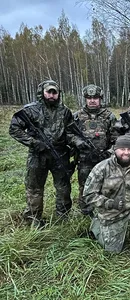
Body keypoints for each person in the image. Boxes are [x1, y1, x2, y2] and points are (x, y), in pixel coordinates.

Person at [9, 80, 75, 226]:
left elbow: (71, 132)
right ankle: (33, 219)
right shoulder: (30, 110)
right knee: (34, 188)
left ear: (58, 94)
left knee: (63, 187)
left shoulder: (65, 111)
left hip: (60, 154)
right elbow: (14, 129)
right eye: (48, 92)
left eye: (54, 92)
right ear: (42, 92)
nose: (51, 95)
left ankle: (63, 217)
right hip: (37, 155)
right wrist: (34, 142)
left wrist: (75, 144)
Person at [70, 84, 117, 213]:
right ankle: (86, 212)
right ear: (85, 99)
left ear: (100, 99)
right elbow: (68, 134)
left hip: (104, 160)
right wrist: (77, 141)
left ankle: (104, 212)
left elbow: (117, 139)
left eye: (95, 97)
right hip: (84, 160)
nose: (92, 100)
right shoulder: (76, 116)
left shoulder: (109, 116)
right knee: (85, 187)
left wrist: (108, 153)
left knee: (106, 186)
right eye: (89, 98)